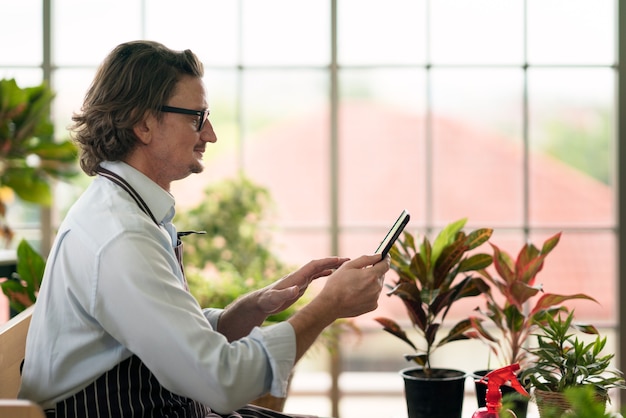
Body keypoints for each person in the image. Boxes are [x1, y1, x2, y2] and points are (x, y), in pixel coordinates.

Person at [18, 40, 389, 418]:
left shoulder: (126, 208)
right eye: (196, 117)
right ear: (143, 123)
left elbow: (169, 340)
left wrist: (248, 310)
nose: (210, 134)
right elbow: (220, 383)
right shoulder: (121, 236)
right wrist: (327, 307)